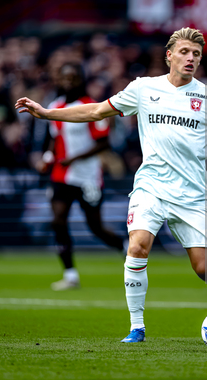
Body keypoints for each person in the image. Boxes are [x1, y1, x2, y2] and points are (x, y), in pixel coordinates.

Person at [16, 28, 207, 343]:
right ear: (169, 56)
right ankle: (137, 327)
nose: (191, 58)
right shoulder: (143, 89)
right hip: (151, 187)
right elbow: (95, 110)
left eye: (196, 54)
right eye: (184, 52)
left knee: (203, 269)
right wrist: (47, 114)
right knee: (138, 246)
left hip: (191, 195)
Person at [36, 63, 125, 291]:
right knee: (58, 221)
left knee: (95, 228)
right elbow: (54, 140)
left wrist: (74, 158)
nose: (68, 82)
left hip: (88, 177)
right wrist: (47, 158)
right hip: (62, 175)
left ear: (81, 80)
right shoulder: (54, 107)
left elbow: (103, 143)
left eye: (73, 77)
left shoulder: (92, 107)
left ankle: (124, 246)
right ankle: (70, 274)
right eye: (64, 77)